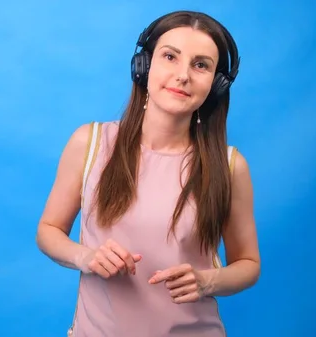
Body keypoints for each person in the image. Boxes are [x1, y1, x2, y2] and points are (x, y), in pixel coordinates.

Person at [35, 10, 261, 337]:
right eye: (170, 56)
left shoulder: (229, 166)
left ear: (216, 84)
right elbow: (48, 230)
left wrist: (206, 280)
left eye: (201, 65)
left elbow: (248, 265)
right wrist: (86, 257)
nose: (183, 75)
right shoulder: (90, 142)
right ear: (144, 66)